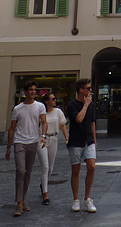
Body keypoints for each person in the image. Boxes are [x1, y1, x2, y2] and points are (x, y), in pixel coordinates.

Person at [5, 80, 47, 217]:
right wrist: (8, 147)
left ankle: (22, 200)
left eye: (35, 90)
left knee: (28, 173)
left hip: (33, 142)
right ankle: (19, 203)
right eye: (31, 90)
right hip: (20, 142)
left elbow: (44, 122)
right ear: (25, 92)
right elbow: (12, 128)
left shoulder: (40, 106)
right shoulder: (17, 109)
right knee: (20, 170)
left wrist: (43, 136)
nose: (33, 92)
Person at [67, 78, 97, 213]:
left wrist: (95, 141)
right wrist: (85, 105)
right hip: (76, 141)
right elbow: (78, 119)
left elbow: (92, 123)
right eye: (88, 88)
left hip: (88, 140)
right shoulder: (72, 105)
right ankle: (76, 199)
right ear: (81, 90)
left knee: (92, 167)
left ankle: (87, 198)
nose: (90, 90)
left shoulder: (91, 105)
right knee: (76, 171)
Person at [37, 92, 68, 205]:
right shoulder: (41, 113)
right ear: (47, 101)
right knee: (45, 166)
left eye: (55, 99)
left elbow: (62, 125)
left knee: (50, 168)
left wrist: (66, 138)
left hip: (54, 138)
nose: (55, 101)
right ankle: (45, 194)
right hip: (42, 139)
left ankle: (43, 184)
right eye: (53, 99)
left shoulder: (58, 112)